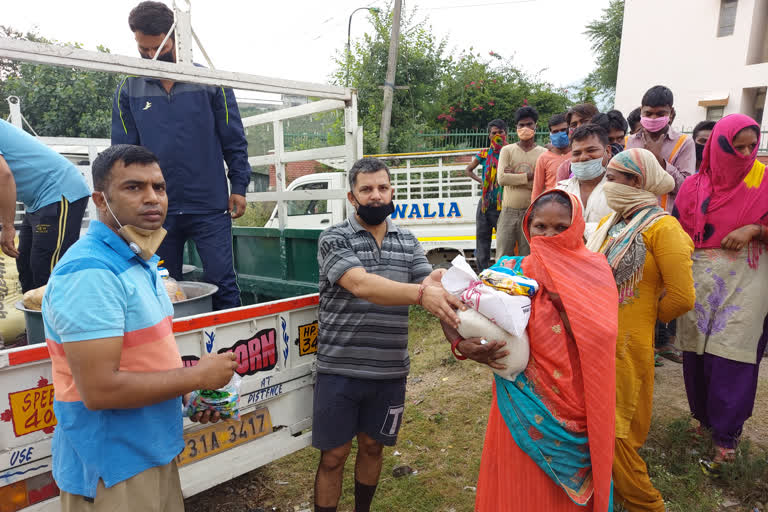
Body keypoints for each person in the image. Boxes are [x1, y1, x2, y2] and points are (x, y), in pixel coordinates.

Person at [41, 144, 238, 511]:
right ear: (101, 199)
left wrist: (186, 397)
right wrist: (197, 377)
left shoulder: (137, 258)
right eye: (134, 187)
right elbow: (100, 390)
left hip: (152, 451)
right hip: (113, 468)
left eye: (158, 187)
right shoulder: (90, 272)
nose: (152, 198)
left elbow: (142, 360)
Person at [442, 189, 618, 511]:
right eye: (540, 227)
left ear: (576, 227)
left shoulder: (595, 272)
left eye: (560, 228)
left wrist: (566, 308)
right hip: (521, 404)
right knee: (517, 488)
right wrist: (460, 343)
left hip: (577, 405)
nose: (549, 236)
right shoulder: (510, 271)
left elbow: (603, 338)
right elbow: (456, 304)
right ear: (528, 227)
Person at [313, 157, 463, 512]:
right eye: (366, 189)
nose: (376, 196)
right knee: (333, 456)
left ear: (392, 191)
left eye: (382, 187)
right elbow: (361, 284)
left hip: (390, 370)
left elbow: (427, 281)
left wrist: (441, 290)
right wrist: (423, 293)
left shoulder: (407, 239)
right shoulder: (334, 238)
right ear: (352, 197)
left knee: (373, 447)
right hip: (340, 369)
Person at [112, 1, 252, 310]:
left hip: (210, 206)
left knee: (222, 281)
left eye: (156, 47)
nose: (150, 55)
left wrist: (239, 187)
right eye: (143, 49)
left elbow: (234, 140)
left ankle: (233, 351)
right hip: (155, 208)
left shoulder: (212, 83)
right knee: (161, 285)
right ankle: (171, 354)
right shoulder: (129, 88)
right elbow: (121, 154)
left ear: (176, 38)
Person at [587, 148, 695, 512]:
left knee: (615, 432)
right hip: (593, 340)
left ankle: (647, 505)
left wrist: (643, 318)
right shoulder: (610, 224)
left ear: (635, 181)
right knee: (594, 426)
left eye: (612, 178)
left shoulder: (664, 228)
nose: (606, 185)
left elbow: (682, 297)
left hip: (627, 346)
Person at [673, 114, 768, 475]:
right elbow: (678, 231)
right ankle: (703, 420)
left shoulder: (763, 178)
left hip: (749, 276)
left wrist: (755, 230)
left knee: (733, 354)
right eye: (736, 147)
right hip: (700, 276)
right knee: (696, 352)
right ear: (717, 146)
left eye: (751, 146)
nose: (745, 154)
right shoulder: (694, 186)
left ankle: (726, 437)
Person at [0, 119, 90, 293]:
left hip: (59, 190)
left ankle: (60, 317)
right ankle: (35, 319)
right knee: (26, 265)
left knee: (47, 270)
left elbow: (3, 176)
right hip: (36, 202)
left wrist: (8, 226)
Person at [625, 85, 695, 213]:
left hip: (666, 217)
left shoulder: (684, 142)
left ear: (671, 113)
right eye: (648, 113)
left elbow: (686, 188)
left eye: (660, 114)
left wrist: (658, 160)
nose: (653, 118)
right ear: (641, 111)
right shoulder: (629, 141)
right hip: (633, 215)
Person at [496, 106, 547, 258]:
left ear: (535, 126)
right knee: (503, 254)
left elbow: (542, 184)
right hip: (508, 211)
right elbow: (502, 179)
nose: (525, 128)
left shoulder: (543, 153)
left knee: (528, 256)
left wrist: (516, 176)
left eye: (529, 124)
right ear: (516, 128)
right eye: (521, 125)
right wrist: (530, 176)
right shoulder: (507, 151)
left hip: (531, 212)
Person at [556, 124, 613, 239]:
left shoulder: (621, 190)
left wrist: (580, 230)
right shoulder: (561, 192)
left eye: (591, 150)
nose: (583, 157)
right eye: (576, 153)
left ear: (607, 151)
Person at [465, 119, 508, 270]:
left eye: (500, 132)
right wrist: (481, 181)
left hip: (503, 204)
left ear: (506, 134)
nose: (497, 135)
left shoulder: (510, 152)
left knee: (503, 243)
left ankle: (503, 273)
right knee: (482, 242)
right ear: (489, 135)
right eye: (493, 133)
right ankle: (483, 275)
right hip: (485, 204)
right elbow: (468, 169)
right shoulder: (483, 154)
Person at [556, 103, 601, 181]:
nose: (579, 127)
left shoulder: (612, 163)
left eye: (585, 122)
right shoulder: (566, 168)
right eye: (574, 125)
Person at [530, 113, 570, 200]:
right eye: (555, 131)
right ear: (550, 134)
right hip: (552, 205)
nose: (560, 134)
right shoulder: (543, 158)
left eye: (563, 130)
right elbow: (537, 189)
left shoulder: (578, 155)